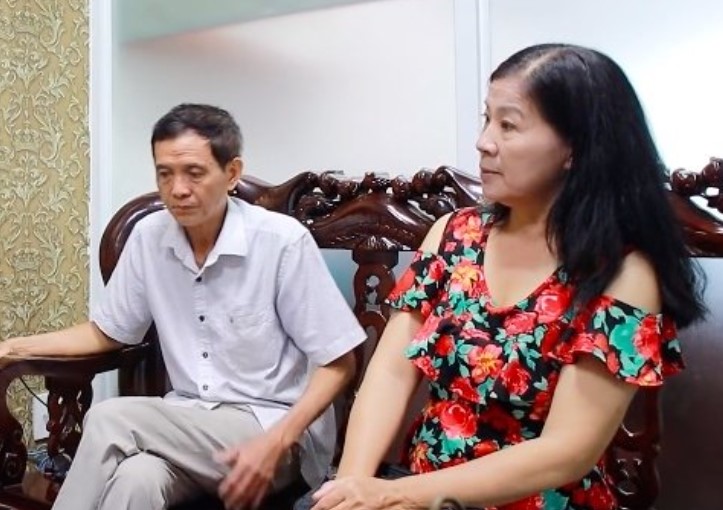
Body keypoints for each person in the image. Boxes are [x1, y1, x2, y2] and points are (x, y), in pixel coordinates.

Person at [306, 44, 706, 510]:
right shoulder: (455, 234)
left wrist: (392, 494)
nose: (484, 141)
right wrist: (352, 487)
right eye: (487, 119)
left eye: (509, 125)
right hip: (415, 492)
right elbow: (392, 373)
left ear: (574, 147)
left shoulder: (622, 272)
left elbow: (567, 452)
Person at [0, 103, 367, 510]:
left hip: (271, 432)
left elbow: (340, 362)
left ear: (232, 173)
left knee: (108, 418)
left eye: (194, 173)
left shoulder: (281, 242)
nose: (177, 189)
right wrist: (11, 348)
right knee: (137, 479)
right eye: (165, 173)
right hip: (187, 426)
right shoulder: (149, 237)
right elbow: (106, 332)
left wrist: (277, 440)